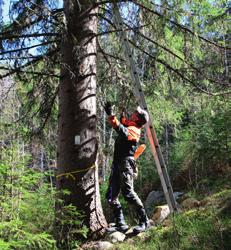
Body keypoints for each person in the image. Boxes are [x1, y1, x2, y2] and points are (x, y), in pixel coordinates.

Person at [104, 102, 150, 233]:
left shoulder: (135, 131)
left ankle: (144, 221)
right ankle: (121, 223)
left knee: (128, 194)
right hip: (117, 164)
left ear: (137, 118)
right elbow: (123, 123)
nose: (133, 113)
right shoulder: (131, 125)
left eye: (136, 113)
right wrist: (121, 113)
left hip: (125, 165)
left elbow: (122, 130)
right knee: (110, 196)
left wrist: (111, 115)